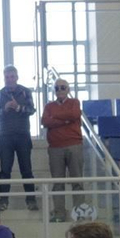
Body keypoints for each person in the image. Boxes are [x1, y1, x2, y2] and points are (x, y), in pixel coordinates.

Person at [0, 65, 36, 211]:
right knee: (4, 170)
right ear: (4, 78)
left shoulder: (25, 91)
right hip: (5, 136)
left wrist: (17, 107)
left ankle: (31, 200)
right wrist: (4, 109)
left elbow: (31, 110)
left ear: (16, 77)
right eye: (7, 77)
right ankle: (3, 201)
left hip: (23, 135)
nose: (9, 79)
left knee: (26, 169)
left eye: (12, 76)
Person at [41, 79, 83, 222]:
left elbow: (74, 115)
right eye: (57, 88)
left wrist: (56, 118)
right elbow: (45, 121)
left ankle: (79, 212)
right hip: (55, 147)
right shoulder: (49, 106)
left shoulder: (75, 102)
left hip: (74, 145)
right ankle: (59, 212)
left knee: (77, 180)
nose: (60, 90)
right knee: (57, 182)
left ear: (68, 89)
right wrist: (65, 119)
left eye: (63, 87)